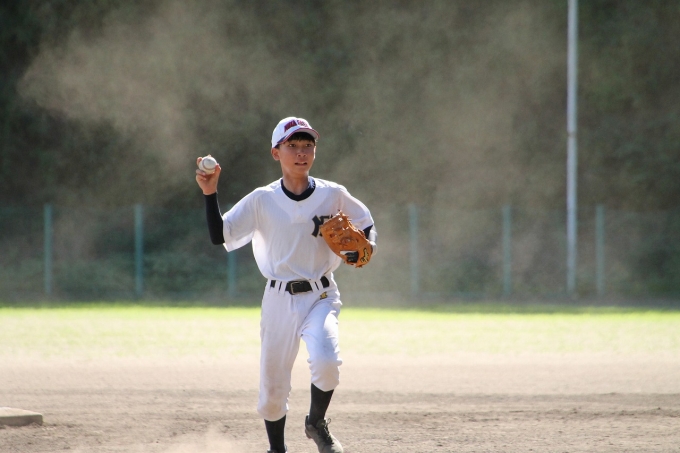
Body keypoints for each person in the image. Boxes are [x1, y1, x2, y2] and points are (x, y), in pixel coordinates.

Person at [195, 117, 377, 453]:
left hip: (322, 294)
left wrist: (368, 245)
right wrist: (210, 193)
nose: (301, 152)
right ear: (276, 153)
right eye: (292, 145)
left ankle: (316, 423)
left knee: (327, 362)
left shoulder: (332, 194)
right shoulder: (261, 200)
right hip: (278, 299)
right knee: (273, 388)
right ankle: (276, 449)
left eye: (308, 145)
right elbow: (220, 235)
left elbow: (366, 224)